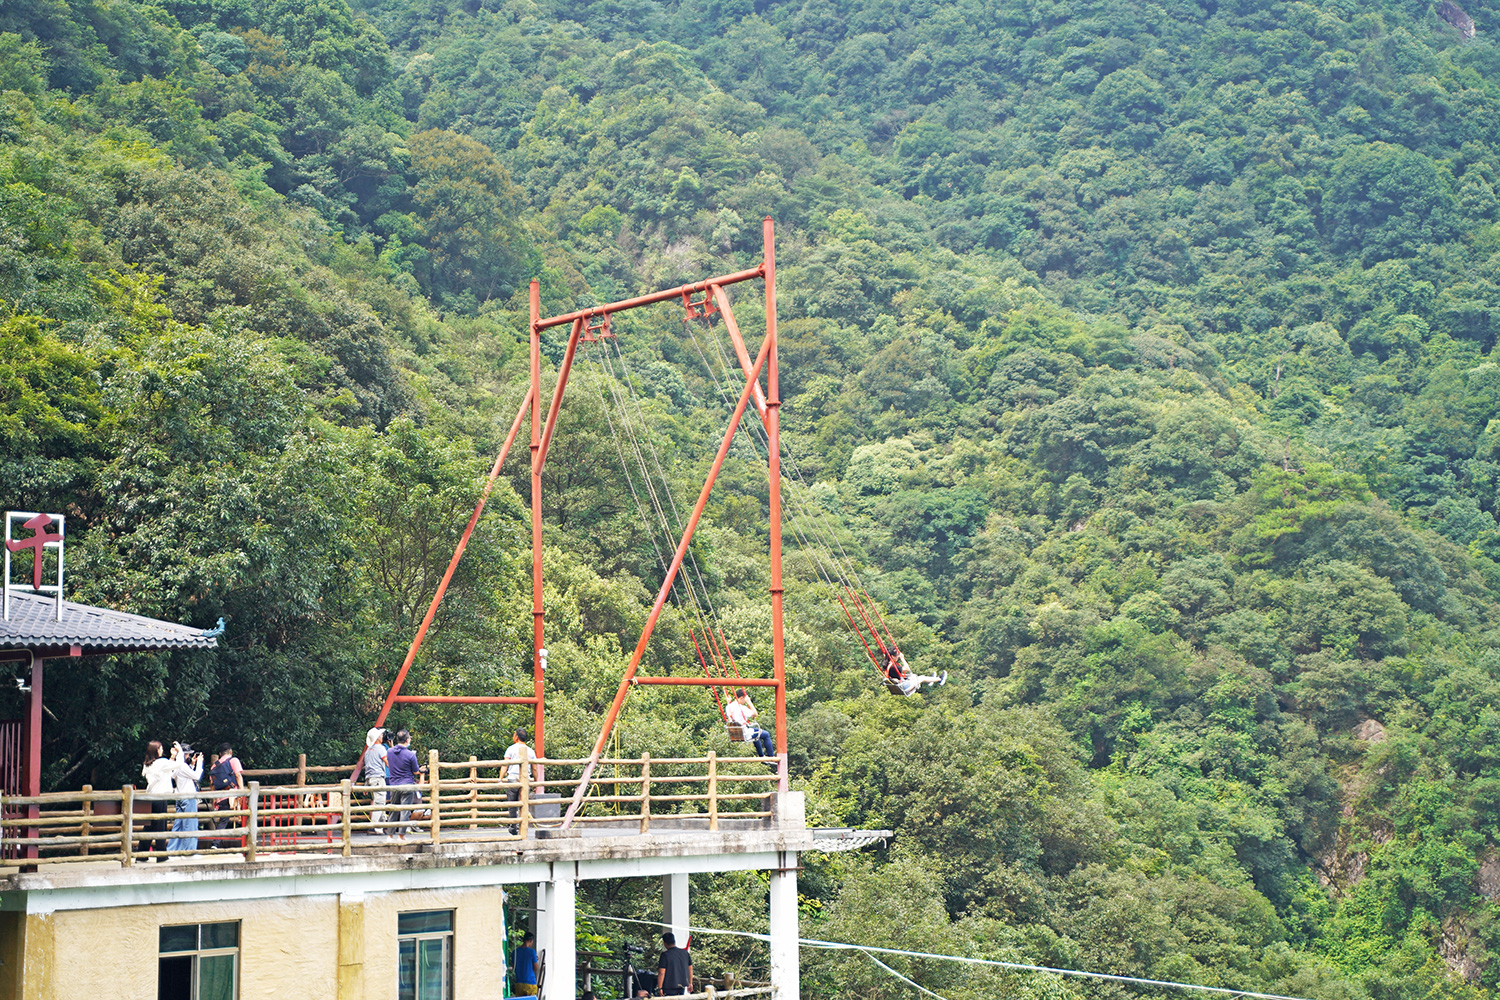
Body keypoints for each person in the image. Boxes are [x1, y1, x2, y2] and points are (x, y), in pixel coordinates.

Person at [166, 742, 204, 854]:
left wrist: (192, 765)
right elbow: (196, 776)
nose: (188, 756)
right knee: (190, 825)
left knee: (179, 825)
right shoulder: (182, 765)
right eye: (186, 754)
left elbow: (182, 776)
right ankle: (189, 851)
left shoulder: (176, 765)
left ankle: (172, 850)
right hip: (188, 796)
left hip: (180, 797)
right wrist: (200, 763)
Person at [141, 740, 175, 859]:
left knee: (149, 826)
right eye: (160, 748)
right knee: (160, 826)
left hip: (150, 797)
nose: (162, 750)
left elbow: (166, 770)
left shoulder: (148, 764)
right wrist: (179, 751)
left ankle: (142, 854)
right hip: (160, 798)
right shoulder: (161, 762)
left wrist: (172, 756)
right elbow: (178, 765)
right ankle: (161, 856)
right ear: (156, 751)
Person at [503, 729, 540, 835]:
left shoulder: (510, 749)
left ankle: (513, 825)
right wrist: (536, 782)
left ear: (517, 737)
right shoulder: (531, 751)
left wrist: (500, 778)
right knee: (523, 804)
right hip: (526, 780)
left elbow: (505, 765)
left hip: (513, 778)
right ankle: (521, 825)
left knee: (512, 804)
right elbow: (535, 768)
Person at [386, 729, 420, 840]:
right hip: (407, 784)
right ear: (406, 740)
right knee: (405, 811)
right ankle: (401, 836)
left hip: (394, 784)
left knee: (393, 810)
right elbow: (416, 771)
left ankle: (390, 835)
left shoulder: (390, 752)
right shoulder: (410, 754)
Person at [725, 688, 774, 760]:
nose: (745, 701)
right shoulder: (742, 708)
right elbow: (755, 714)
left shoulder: (728, 707)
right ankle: (771, 756)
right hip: (745, 733)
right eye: (745, 699)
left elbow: (731, 712)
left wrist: (728, 701)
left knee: (757, 735)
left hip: (735, 733)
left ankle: (762, 756)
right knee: (766, 734)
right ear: (742, 698)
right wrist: (749, 702)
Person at [209, 742, 245, 838]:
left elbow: (212, 784)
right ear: (231, 752)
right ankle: (242, 839)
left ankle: (216, 843)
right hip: (233, 795)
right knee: (244, 815)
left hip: (221, 797)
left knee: (223, 820)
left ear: (220, 754)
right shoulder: (233, 760)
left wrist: (214, 799)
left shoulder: (214, 766)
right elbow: (238, 775)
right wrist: (242, 791)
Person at [362, 727, 388, 839]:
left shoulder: (368, 751)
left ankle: (383, 825)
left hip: (370, 779)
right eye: (381, 735)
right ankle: (375, 827)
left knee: (378, 801)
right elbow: (388, 762)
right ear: (377, 738)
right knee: (380, 803)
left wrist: (366, 785)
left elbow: (368, 768)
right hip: (378, 778)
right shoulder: (380, 748)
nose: (383, 736)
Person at [655, 932, 693, 997]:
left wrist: (660, 988)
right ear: (674, 941)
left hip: (668, 987)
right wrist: (690, 983)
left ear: (665, 943)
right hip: (682, 985)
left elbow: (661, 972)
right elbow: (690, 969)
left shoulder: (665, 955)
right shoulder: (685, 953)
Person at [511, 931, 540, 996]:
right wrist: (534, 960)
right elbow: (536, 968)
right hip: (530, 983)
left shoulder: (514, 952)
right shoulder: (532, 952)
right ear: (530, 940)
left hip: (519, 984)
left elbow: (514, 966)